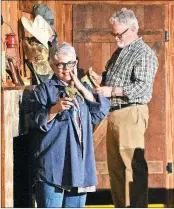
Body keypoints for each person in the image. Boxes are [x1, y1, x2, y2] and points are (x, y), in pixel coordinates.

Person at [29, 42, 110, 208]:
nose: (66, 69)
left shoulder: (84, 89)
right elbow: (35, 121)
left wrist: (80, 86)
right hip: (54, 165)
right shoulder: (44, 90)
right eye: (61, 64)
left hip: (79, 166)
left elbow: (100, 110)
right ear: (52, 65)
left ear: (76, 63)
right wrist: (54, 109)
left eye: (71, 63)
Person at [92, 8, 158, 208]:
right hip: (115, 114)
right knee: (116, 170)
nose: (115, 38)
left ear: (133, 29)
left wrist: (111, 90)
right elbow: (115, 79)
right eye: (114, 34)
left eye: (119, 34)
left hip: (130, 112)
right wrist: (101, 79)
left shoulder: (143, 53)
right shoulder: (121, 51)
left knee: (131, 169)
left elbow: (142, 88)